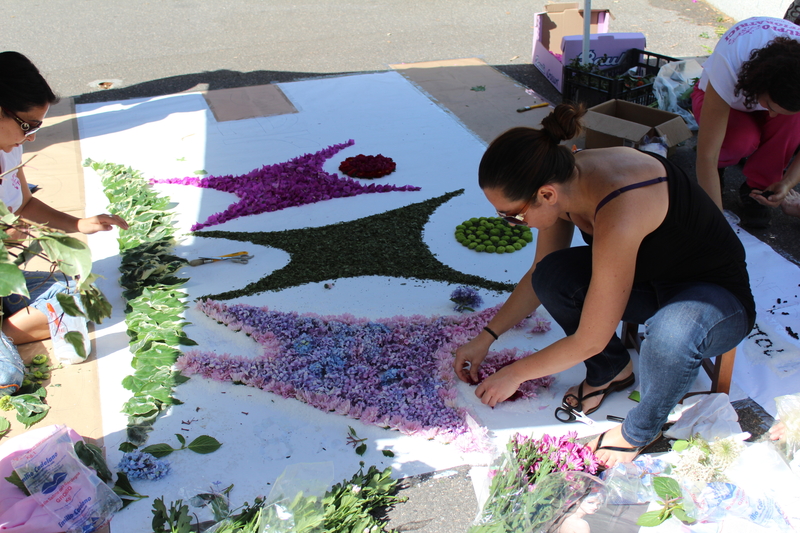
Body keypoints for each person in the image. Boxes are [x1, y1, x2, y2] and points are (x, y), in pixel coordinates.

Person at [454, 104, 755, 467]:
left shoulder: (622, 203)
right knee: (552, 275)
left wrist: (515, 373)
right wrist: (487, 336)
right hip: (651, 279)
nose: (511, 223)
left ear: (546, 195)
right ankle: (612, 370)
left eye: (513, 215)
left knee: (671, 333)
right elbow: (538, 276)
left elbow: (591, 338)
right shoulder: (562, 177)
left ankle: (638, 432)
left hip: (716, 297)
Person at [0, 51, 128, 389]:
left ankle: (5, 331)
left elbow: (24, 202)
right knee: (8, 378)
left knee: (79, 292)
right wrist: (6, 240)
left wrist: (80, 224)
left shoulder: (8, 148)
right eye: (28, 125)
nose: (31, 137)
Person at [693, 17, 800, 228]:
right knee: (738, 140)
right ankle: (720, 168)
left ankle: (758, 188)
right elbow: (706, 155)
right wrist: (717, 225)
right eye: (769, 106)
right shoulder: (732, 58)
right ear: (759, 83)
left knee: (792, 124)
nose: (771, 116)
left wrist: (788, 182)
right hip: (720, 100)